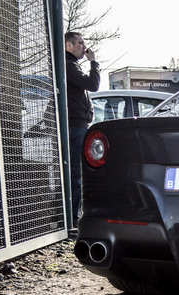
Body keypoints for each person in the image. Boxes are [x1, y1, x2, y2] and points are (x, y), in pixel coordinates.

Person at [65, 31, 100, 227]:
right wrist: (94, 63)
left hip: (77, 125)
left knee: (74, 173)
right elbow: (92, 84)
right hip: (76, 126)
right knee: (76, 174)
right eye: (79, 43)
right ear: (69, 46)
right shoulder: (69, 66)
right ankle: (72, 220)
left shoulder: (70, 66)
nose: (83, 46)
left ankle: (70, 218)